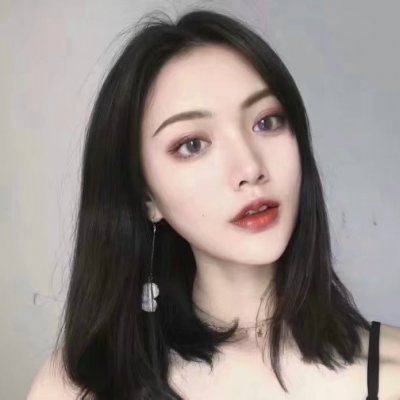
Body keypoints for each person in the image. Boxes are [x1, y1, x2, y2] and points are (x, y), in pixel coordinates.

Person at [27, 8, 400, 400]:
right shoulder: (76, 387)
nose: (250, 168)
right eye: (192, 145)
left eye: (267, 122)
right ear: (146, 197)